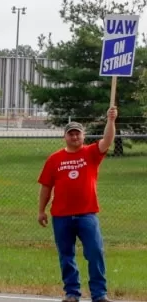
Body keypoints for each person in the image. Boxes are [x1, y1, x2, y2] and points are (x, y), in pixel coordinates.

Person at [37, 107, 117, 302]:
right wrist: (41, 211)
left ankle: (99, 294)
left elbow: (107, 140)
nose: (74, 137)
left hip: (87, 214)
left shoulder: (91, 153)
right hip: (61, 216)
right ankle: (72, 293)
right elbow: (46, 187)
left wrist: (111, 120)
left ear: (83, 136)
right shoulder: (54, 159)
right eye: (70, 134)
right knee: (66, 255)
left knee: (95, 252)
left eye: (77, 133)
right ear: (65, 136)